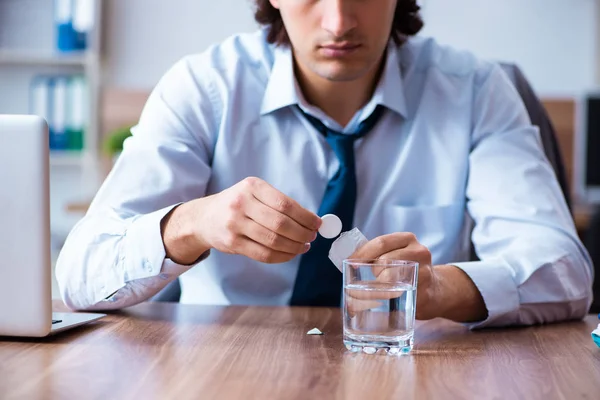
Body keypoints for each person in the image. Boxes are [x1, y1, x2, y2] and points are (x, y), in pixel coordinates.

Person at [56, 0, 593, 328]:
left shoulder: (476, 91)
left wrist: (439, 289)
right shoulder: (204, 88)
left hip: (415, 376)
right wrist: (191, 223)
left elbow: (563, 271)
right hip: (223, 371)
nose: (339, 20)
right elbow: (80, 276)